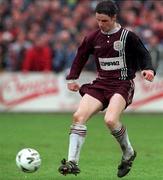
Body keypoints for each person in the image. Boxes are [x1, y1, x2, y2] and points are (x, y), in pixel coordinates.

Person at [58, 0, 155, 178]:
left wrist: (148, 69)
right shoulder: (93, 38)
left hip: (122, 83)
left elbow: (143, 53)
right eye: (98, 20)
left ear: (114, 17)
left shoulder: (127, 36)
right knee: (78, 117)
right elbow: (80, 56)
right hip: (101, 83)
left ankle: (128, 153)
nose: (101, 24)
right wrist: (72, 77)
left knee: (110, 120)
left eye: (104, 21)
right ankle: (72, 162)